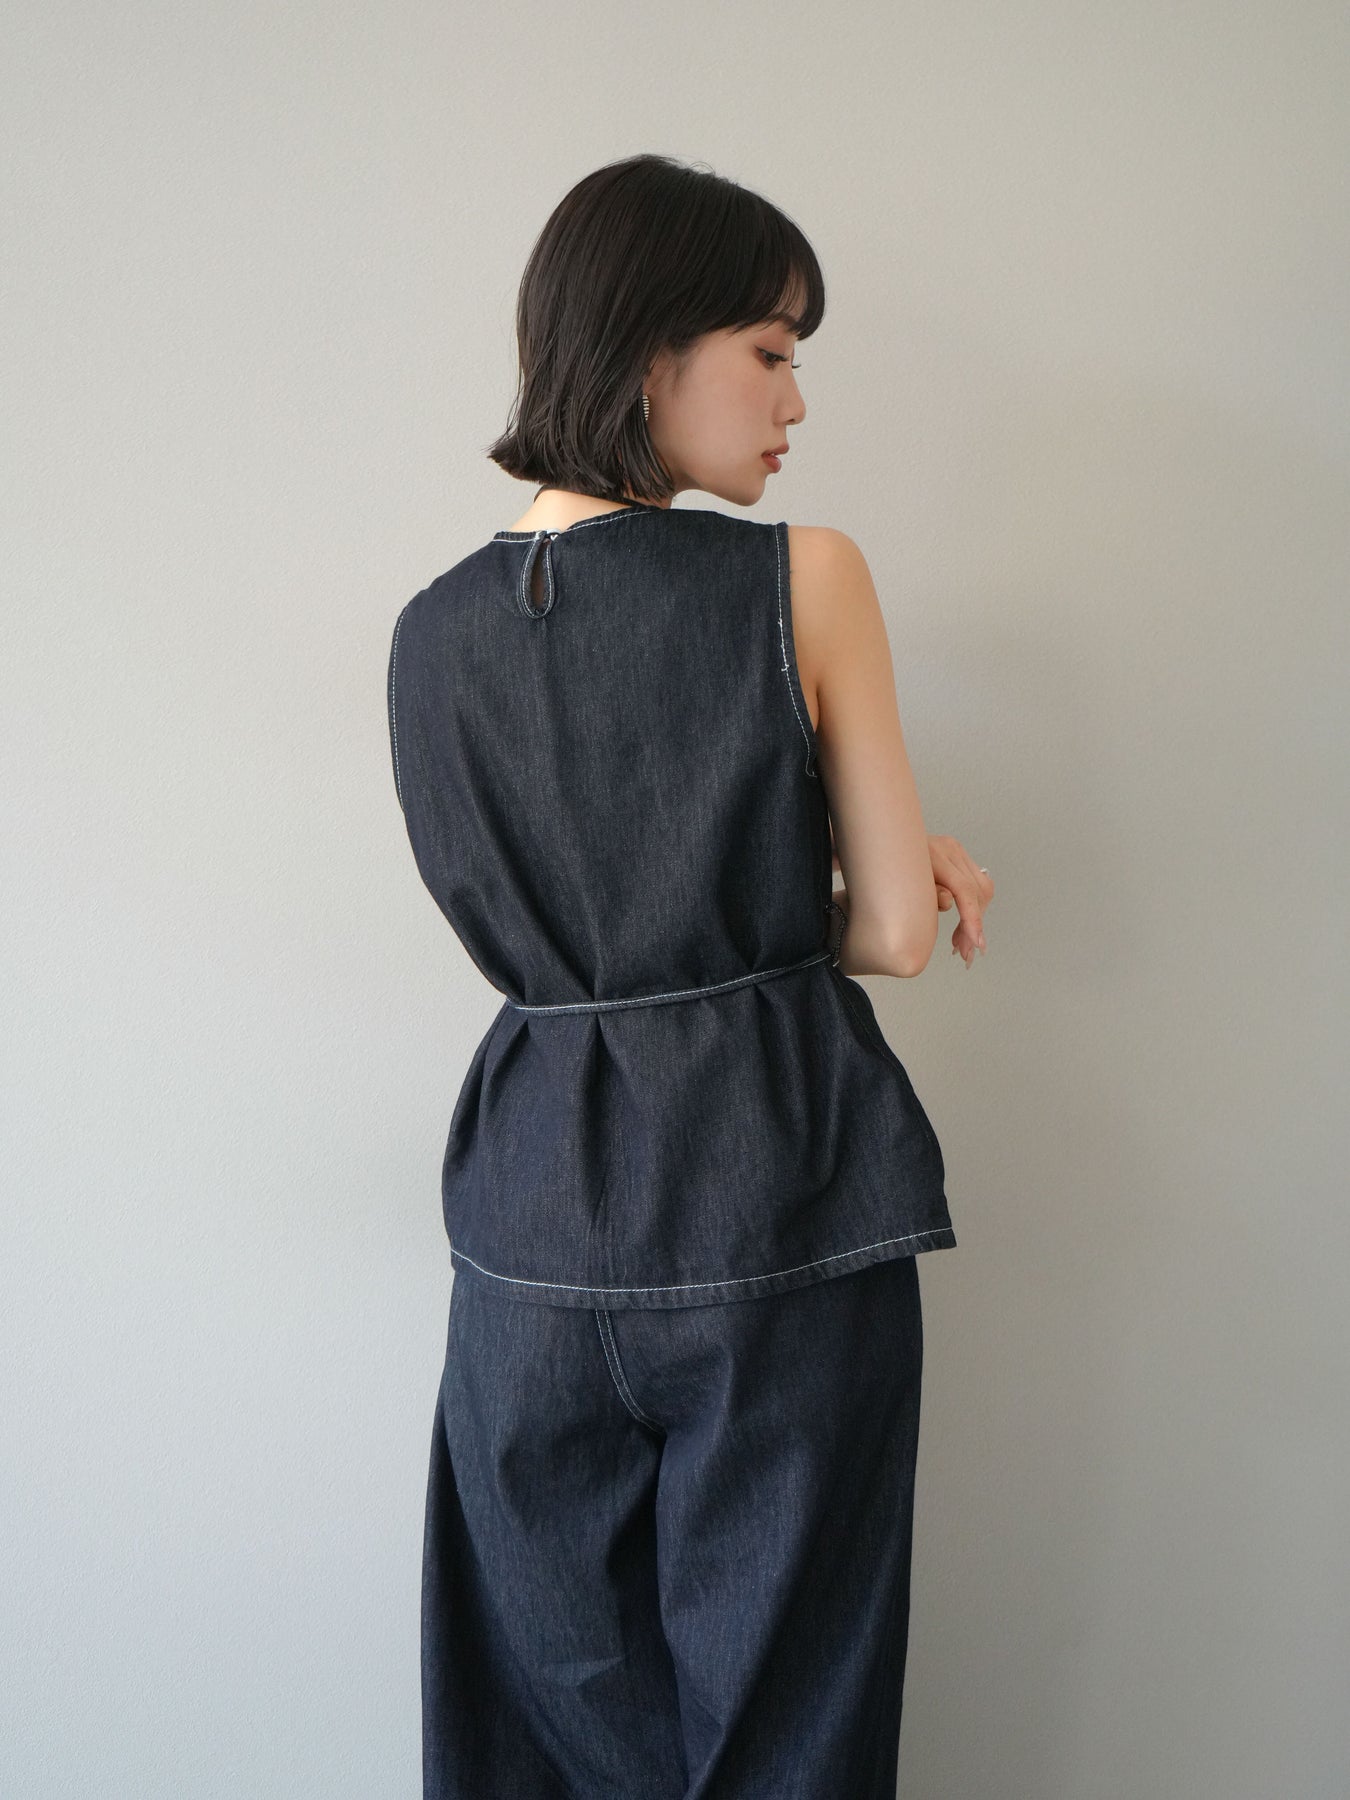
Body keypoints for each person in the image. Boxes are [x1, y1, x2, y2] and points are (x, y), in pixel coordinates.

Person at [387, 152, 994, 1800]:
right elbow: (889, 938)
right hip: (774, 1208)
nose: (795, 400)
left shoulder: (428, 634)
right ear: (649, 348)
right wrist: (886, 869)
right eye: (770, 350)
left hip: (528, 1234)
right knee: (787, 1727)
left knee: (541, 1725)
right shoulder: (801, 578)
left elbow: (567, 915)